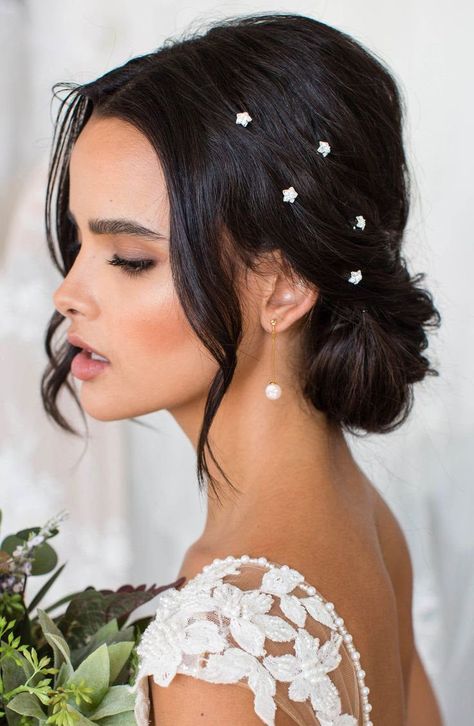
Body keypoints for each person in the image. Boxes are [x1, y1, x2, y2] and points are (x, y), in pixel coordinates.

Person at [42, 11, 444, 725]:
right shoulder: (367, 526)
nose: (68, 293)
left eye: (129, 259)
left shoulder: (220, 656)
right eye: (78, 242)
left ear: (284, 288)